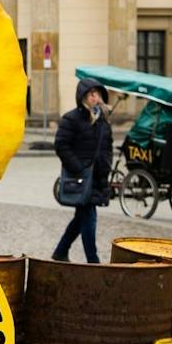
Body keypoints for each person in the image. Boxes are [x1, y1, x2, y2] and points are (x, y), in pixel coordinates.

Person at [51, 78, 112, 263]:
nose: (95, 98)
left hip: (97, 177)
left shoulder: (102, 120)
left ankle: (60, 252)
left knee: (82, 218)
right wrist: (78, 167)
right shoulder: (71, 119)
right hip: (81, 178)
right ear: (83, 97)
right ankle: (93, 262)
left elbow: (107, 146)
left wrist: (106, 166)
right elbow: (61, 145)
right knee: (89, 216)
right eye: (91, 94)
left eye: (98, 94)